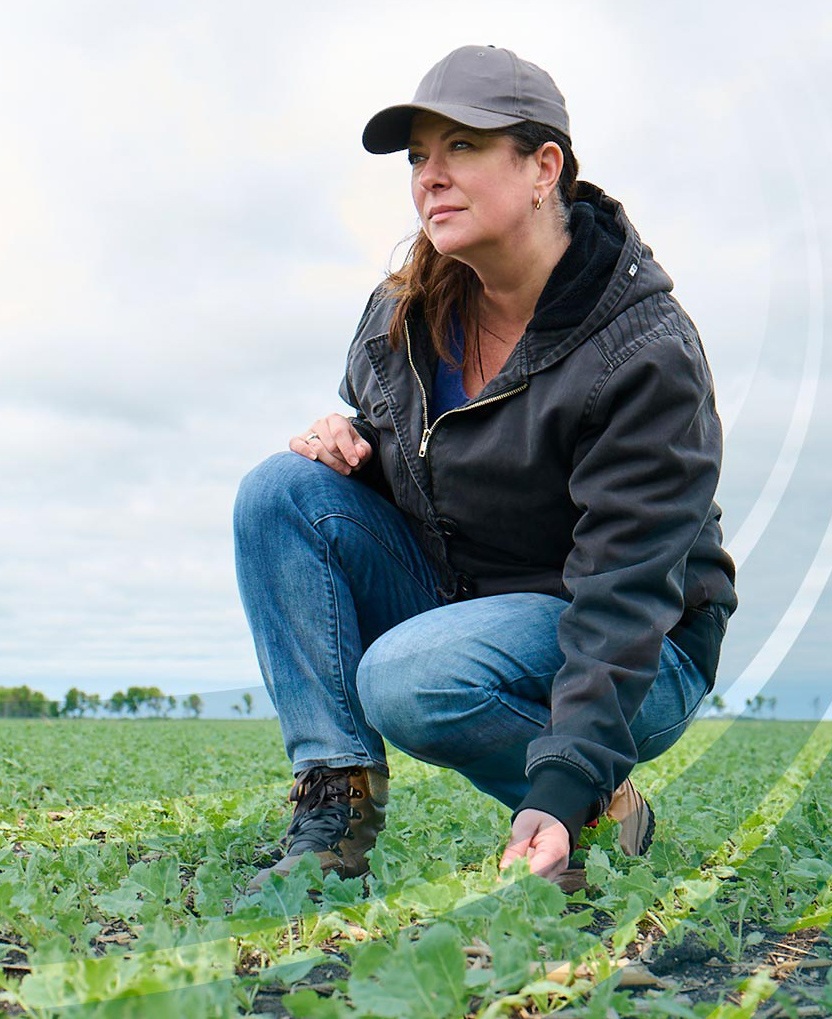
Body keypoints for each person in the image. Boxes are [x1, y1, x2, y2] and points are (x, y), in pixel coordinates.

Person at [234, 44, 737, 890]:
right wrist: (352, 446)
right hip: (470, 596)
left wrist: (561, 778)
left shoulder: (645, 352)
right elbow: (432, 456)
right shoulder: (403, 313)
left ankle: (583, 808)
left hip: (634, 638)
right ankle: (335, 804)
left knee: (407, 677)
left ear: (545, 167)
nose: (430, 175)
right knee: (280, 493)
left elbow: (627, 588)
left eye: (461, 147)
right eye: (419, 158)